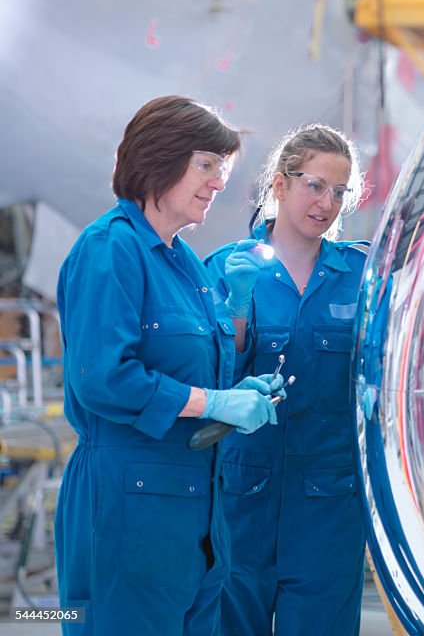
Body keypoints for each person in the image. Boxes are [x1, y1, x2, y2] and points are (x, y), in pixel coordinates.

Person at [55, 96, 284, 636]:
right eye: (207, 165)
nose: (219, 181)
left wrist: (239, 391)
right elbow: (103, 379)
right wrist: (214, 402)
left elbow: (193, 375)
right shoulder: (110, 250)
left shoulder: (184, 262)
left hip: (195, 518)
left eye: (222, 169)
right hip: (125, 511)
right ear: (158, 159)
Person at [205, 124, 368, 636]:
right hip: (241, 496)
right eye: (314, 185)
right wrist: (235, 307)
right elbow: (209, 379)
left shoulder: (363, 275)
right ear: (280, 184)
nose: (326, 202)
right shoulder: (227, 267)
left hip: (328, 501)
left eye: (340, 192)